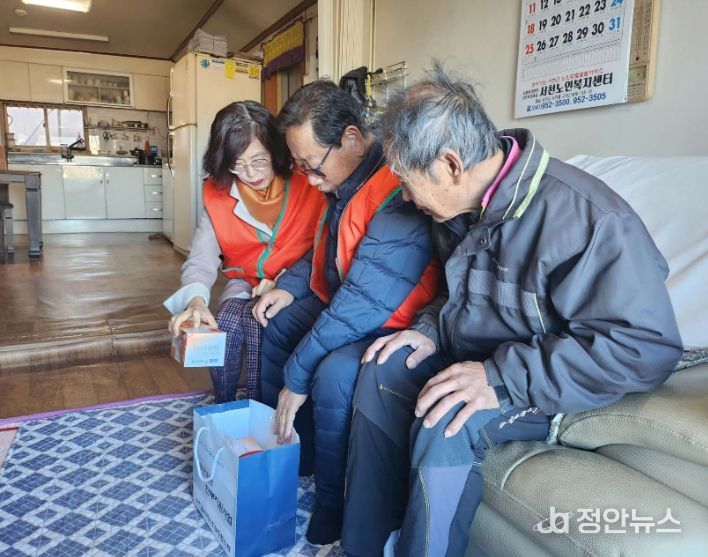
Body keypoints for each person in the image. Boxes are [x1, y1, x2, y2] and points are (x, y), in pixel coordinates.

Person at [340, 65, 683, 557]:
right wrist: (428, 330)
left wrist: (498, 376)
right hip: (483, 359)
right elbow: (460, 295)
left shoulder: (588, 219)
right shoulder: (463, 206)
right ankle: (364, 545)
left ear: (451, 165)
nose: (406, 196)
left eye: (406, 180)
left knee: (448, 417)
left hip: (549, 380)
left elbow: (645, 348)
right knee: (384, 365)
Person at [250, 80, 440, 545]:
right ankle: (291, 453)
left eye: (312, 166)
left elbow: (363, 301)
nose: (310, 179)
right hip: (344, 302)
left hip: (386, 317)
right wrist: (290, 287)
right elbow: (323, 251)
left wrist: (297, 376)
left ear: (352, 139)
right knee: (275, 322)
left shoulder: (397, 189)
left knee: (332, 373)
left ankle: (332, 502)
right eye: (301, 167)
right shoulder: (343, 181)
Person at [164, 101, 325, 403]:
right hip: (246, 280)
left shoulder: (310, 183)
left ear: (277, 151)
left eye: (259, 161)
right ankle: (224, 405)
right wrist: (196, 301)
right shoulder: (218, 193)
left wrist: (286, 282)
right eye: (237, 164)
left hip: (297, 284)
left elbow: (324, 250)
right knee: (224, 322)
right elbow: (201, 257)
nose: (250, 173)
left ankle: (260, 407)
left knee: (257, 322)